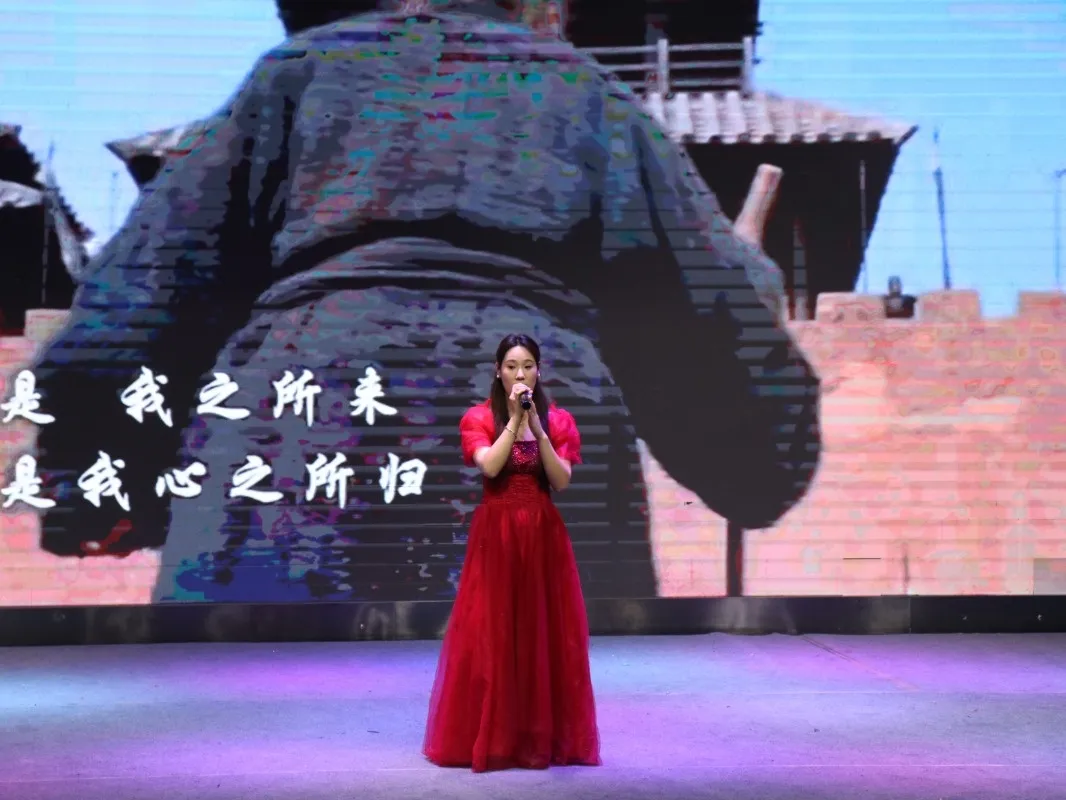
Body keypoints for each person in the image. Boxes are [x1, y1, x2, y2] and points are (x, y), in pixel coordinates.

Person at [11, 0, 821, 604]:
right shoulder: (594, 101)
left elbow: (135, 307)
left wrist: (92, 488)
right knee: (530, 729)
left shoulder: (293, 78)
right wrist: (759, 455)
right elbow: (729, 341)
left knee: (258, 731)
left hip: (292, 429)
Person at [423, 332, 600, 771]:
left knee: (542, 632)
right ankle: (495, 736)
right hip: (497, 534)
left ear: (539, 371)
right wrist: (514, 421)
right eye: (511, 366)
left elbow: (560, 480)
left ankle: (540, 735)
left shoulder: (558, 421)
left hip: (541, 535)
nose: (520, 374)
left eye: (527, 366)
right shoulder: (479, 417)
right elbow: (489, 465)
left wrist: (537, 428)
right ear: (498, 372)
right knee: (493, 631)